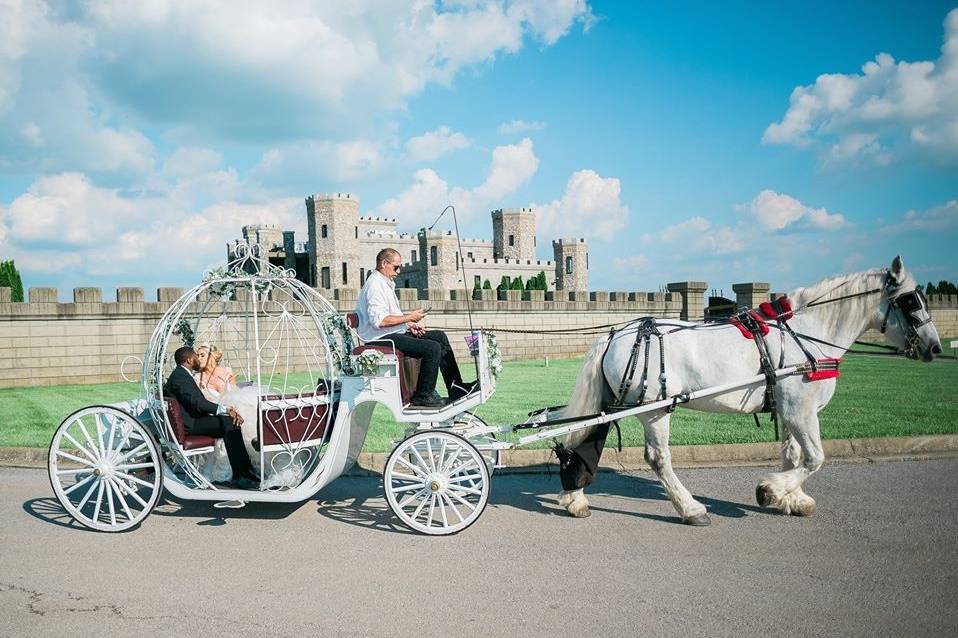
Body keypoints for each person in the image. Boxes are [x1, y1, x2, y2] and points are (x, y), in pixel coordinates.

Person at [356, 248, 477, 408]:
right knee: (432, 348)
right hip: (379, 338)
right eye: (396, 267)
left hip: (390, 333)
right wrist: (409, 317)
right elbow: (379, 322)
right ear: (384, 263)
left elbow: (388, 316)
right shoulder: (375, 285)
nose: (398, 272)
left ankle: (456, 388)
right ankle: (423, 395)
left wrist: (409, 325)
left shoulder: (385, 283)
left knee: (439, 337)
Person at [165, 346, 257, 489]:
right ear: (189, 360)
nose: (198, 359)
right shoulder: (180, 377)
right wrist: (225, 410)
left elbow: (195, 403)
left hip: (193, 419)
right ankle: (240, 475)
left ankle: (246, 471)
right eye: (196, 356)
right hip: (191, 424)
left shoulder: (181, 375)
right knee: (229, 423)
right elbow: (198, 403)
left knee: (228, 422)